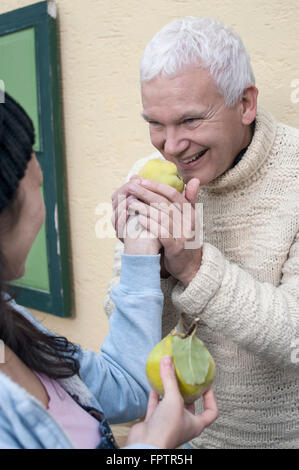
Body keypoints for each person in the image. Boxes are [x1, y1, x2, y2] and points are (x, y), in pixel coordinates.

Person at [105, 16, 299, 449]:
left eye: (189, 120)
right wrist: (147, 267)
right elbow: (121, 326)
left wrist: (193, 267)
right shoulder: (147, 178)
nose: (170, 146)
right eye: (155, 123)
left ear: (245, 103)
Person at [0, 92, 218, 449]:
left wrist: (141, 248)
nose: (174, 144)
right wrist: (153, 447)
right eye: (30, 155)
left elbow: (126, 387)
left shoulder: (10, 319)